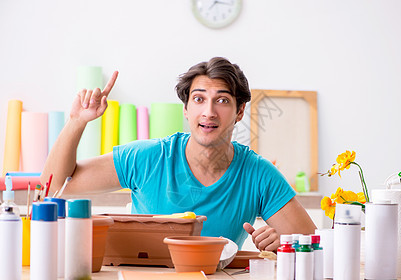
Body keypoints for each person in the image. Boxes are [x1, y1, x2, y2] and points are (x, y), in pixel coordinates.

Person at [41, 57, 316, 251]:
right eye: (198, 99)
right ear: (186, 109)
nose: (209, 111)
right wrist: (76, 121)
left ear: (240, 111)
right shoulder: (147, 158)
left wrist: (283, 242)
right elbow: (51, 187)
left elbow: (311, 240)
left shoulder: (257, 174)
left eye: (222, 100)